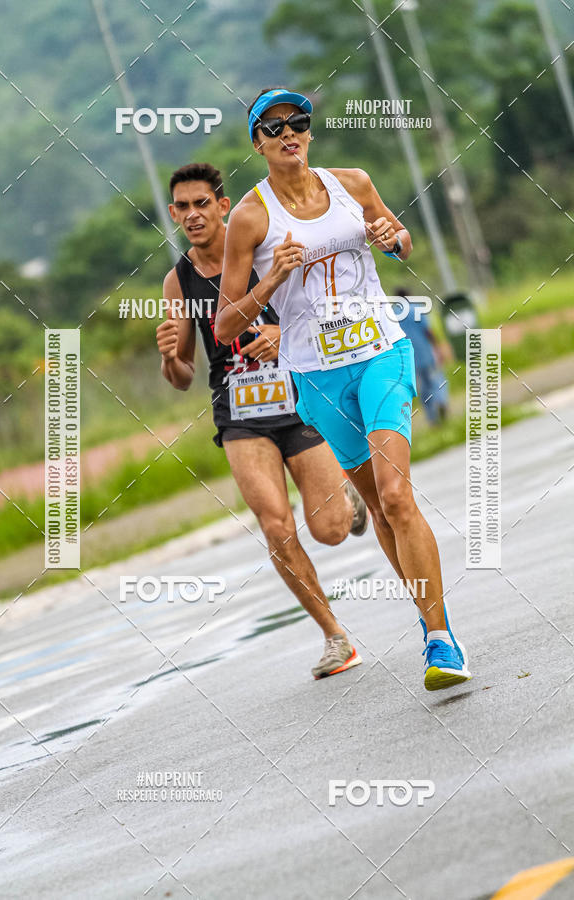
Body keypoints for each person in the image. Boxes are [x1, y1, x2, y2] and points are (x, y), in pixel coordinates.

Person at [215, 88, 471, 691]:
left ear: (309, 131)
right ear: (257, 144)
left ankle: (441, 639)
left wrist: (392, 239)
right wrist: (271, 280)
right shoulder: (250, 218)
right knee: (378, 507)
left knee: (397, 495)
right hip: (316, 375)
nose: (288, 133)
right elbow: (225, 324)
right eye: (273, 127)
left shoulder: (353, 183)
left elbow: (401, 241)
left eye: (297, 122)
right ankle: (427, 616)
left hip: (381, 352)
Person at [156, 161, 368, 680]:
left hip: (299, 401)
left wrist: (282, 336)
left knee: (330, 531)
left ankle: (347, 497)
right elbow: (183, 376)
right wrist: (169, 358)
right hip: (240, 416)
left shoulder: (265, 245)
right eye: (182, 207)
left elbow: (326, 311)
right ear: (173, 214)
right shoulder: (178, 281)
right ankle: (335, 637)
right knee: (275, 526)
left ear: (222, 206)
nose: (193, 214)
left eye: (202, 203)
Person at [394, 286, 450, 425]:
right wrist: (437, 347)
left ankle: (432, 418)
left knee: (423, 387)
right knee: (436, 379)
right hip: (426, 353)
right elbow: (428, 331)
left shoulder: (394, 315)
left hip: (409, 357)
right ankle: (441, 400)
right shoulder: (416, 309)